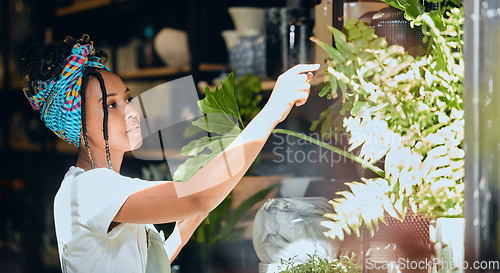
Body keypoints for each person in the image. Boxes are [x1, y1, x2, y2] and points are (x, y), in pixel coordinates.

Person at [22, 34, 319, 273]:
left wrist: (184, 228)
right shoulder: (87, 188)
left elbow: (143, 265)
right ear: (80, 125)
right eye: (111, 105)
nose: (131, 111)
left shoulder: (106, 186)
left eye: (128, 98)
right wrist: (273, 112)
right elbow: (197, 196)